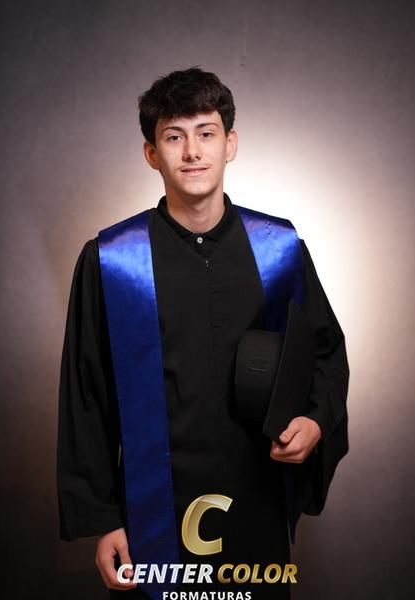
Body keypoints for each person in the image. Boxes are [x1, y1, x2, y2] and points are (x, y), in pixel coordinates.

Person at [57, 67, 349, 599]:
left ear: (230, 144)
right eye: (174, 137)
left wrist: (314, 419)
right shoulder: (114, 262)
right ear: (151, 154)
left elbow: (325, 353)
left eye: (206, 133)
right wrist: (104, 519)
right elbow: (86, 394)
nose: (192, 151)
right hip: (153, 511)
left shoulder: (279, 251)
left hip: (257, 500)